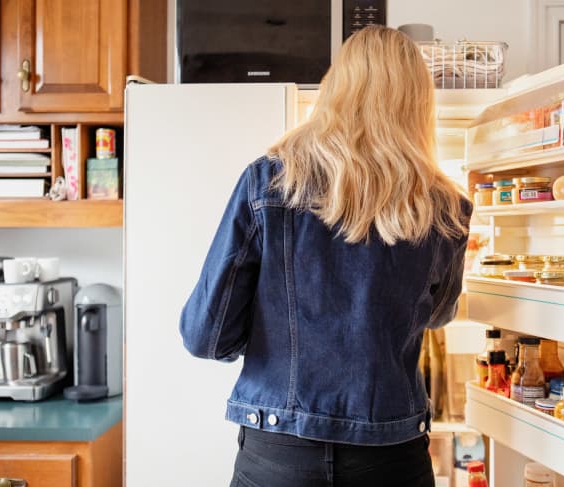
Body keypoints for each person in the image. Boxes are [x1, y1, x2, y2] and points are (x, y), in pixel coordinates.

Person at [180, 25, 471, 487]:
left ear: (336, 88)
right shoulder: (445, 207)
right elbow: (438, 314)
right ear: (419, 102)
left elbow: (205, 336)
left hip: (280, 450)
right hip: (391, 456)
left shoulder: (269, 183)